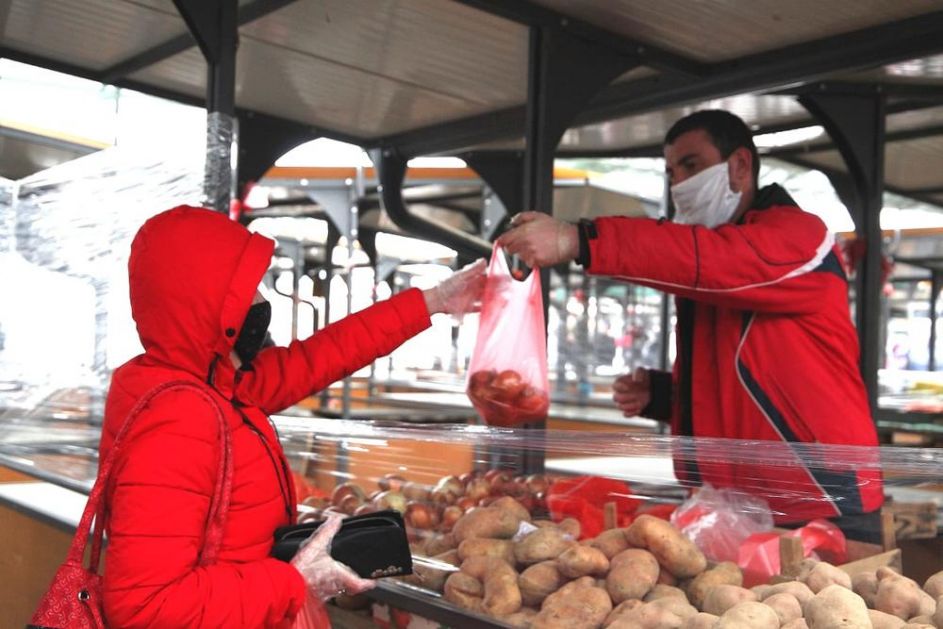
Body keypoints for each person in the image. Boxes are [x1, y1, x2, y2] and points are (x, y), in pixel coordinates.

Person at [498, 110, 883, 539]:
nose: (678, 183)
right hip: (737, 507)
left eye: (692, 166)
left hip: (820, 504)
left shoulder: (800, 238)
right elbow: (747, 376)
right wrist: (666, 396)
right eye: (671, 172)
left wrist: (578, 239)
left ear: (739, 166)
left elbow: (712, 260)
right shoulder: (714, 274)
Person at [100, 205, 485, 627]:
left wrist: (432, 301)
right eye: (244, 288)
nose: (262, 301)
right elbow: (143, 608)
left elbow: (319, 356)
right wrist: (292, 581)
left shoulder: (219, 388)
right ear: (204, 303)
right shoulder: (177, 422)